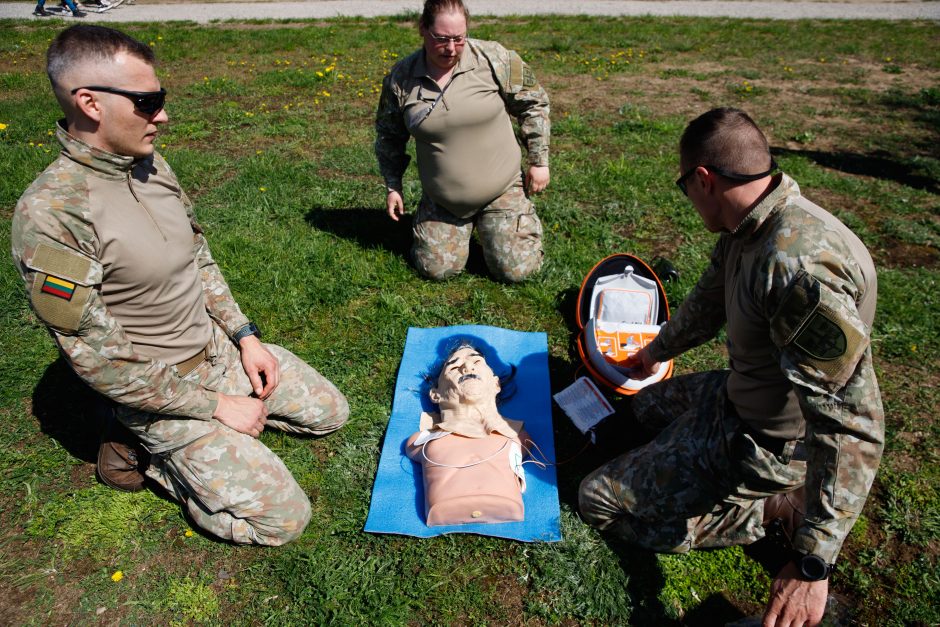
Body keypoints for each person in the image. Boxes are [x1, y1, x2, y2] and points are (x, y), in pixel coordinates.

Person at [11, 25, 349, 546]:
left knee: (332, 414)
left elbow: (199, 258)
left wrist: (246, 337)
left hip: (217, 354)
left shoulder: (149, 163)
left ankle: (214, 435)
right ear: (90, 104)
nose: (163, 115)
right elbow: (98, 361)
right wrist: (216, 407)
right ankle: (150, 457)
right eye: (148, 101)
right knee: (282, 522)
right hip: (159, 394)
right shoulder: (52, 215)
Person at [578, 108, 884, 627]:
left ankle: (768, 510)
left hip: (767, 442)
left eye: (685, 187)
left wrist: (813, 560)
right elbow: (709, 301)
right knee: (645, 406)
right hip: (739, 395)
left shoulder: (796, 269)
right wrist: (653, 353)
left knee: (596, 501)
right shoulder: (752, 221)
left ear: (703, 179)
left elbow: (851, 422)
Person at [374, 0, 550, 283]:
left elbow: (534, 103)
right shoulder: (402, 78)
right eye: (441, 39)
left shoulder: (494, 58)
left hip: (502, 188)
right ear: (422, 29)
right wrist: (393, 186)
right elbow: (389, 135)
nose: (452, 48)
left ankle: (508, 219)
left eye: (459, 38)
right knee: (436, 269)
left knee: (517, 271)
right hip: (444, 198)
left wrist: (539, 161)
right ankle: (452, 223)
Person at [406, 343, 528, 526]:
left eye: (477, 361)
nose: (467, 367)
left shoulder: (518, 436)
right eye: (454, 366)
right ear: (436, 394)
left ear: (496, 384)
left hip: (507, 505)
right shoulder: (420, 441)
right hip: (441, 509)